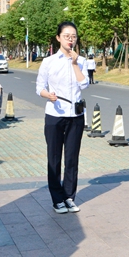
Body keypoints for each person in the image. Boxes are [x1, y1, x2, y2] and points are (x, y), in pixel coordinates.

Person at [35, 22, 89, 214]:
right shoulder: (49, 61)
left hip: (75, 116)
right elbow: (39, 87)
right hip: (55, 115)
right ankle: (57, 199)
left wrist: (74, 63)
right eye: (67, 36)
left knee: (72, 158)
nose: (70, 39)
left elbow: (84, 84)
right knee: (54, 158)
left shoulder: (81, 61)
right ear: (58, 38)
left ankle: (69, 197)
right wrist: (48, 95)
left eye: (73, 36)